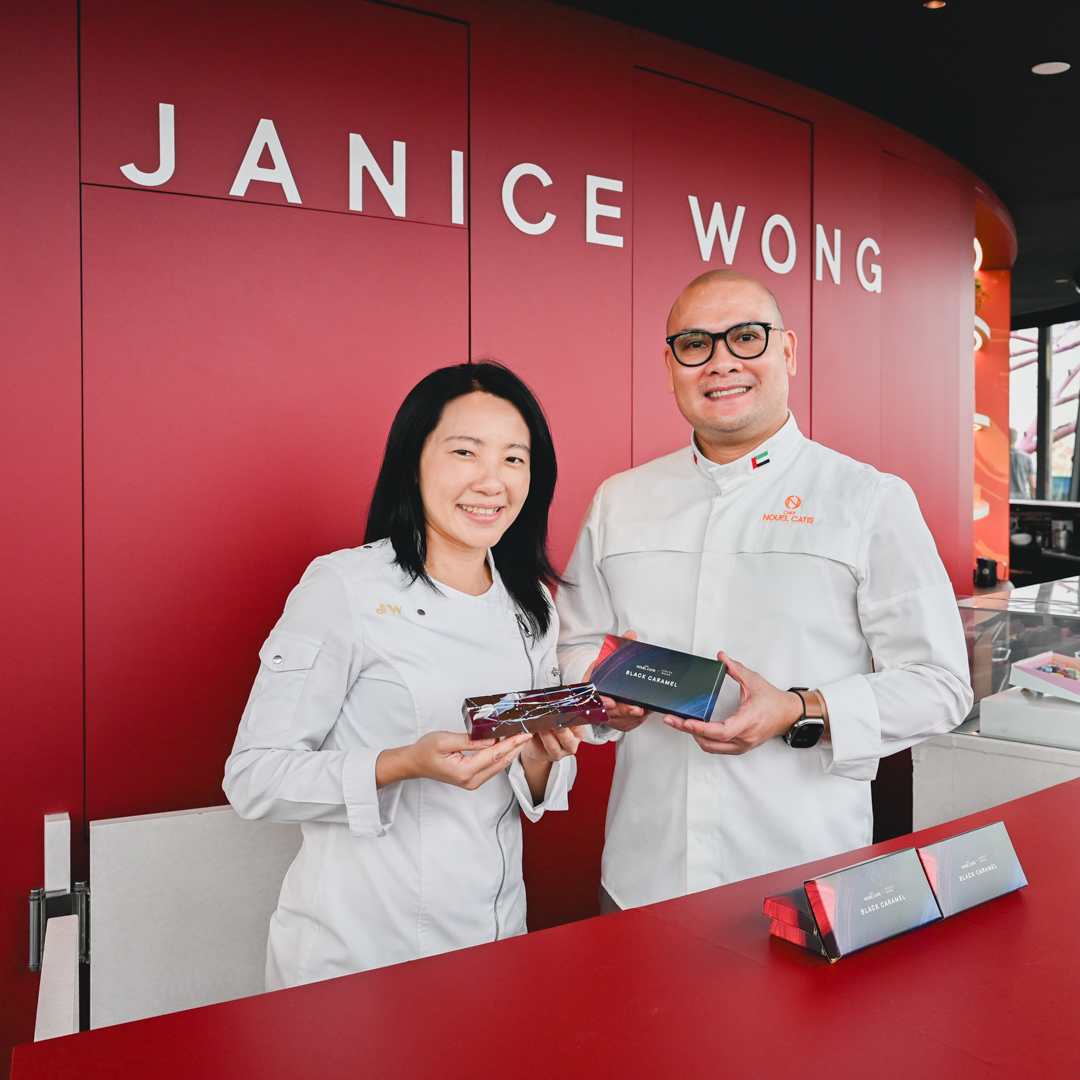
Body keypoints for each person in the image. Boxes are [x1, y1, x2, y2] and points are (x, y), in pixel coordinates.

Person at [557, 269, 973, 912]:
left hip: (804, 871)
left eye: (745, 337)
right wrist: (605, 693)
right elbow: (575, 644)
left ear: (788, 351)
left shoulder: (867, 498)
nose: (721, 362)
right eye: (695, 344)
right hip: (643, 871)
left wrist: (801, 708)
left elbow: (940, 684)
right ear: (669, 367)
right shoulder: (621, 500)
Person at [224, 362, 583, 988]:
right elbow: (253, 777)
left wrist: (543, 758)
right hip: (360, 950)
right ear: (412, 460)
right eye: (465, 452)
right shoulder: (344, 588)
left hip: (493, 936)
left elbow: (536, 779)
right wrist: (402, 763)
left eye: (514, 459)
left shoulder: (533, 605)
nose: (491, 482)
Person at [1009, 427, 1036, 499]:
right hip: (1022, 498)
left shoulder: (999, 457)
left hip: (1005, 498)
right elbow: (1033, 485)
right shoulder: (1026, 457)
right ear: (1016, 439)